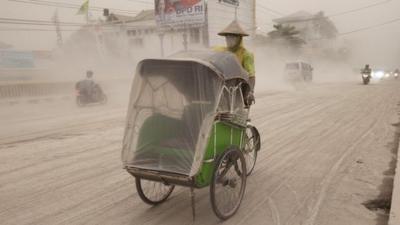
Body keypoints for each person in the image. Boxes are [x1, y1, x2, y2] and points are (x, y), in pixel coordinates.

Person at [215, 20, 255, 105]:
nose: (229, 40)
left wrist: (250, 92)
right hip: (221, 87)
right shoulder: (220, 51)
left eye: (232, 37)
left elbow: (251, 75)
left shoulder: (246, 54)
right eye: (227, 37)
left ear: (239, 39)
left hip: (238, 89)